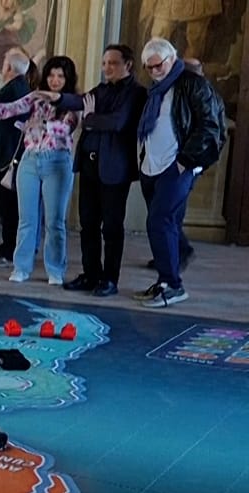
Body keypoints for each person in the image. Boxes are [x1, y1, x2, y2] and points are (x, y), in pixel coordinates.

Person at [38, 44, 146, 297]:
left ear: (127, 65)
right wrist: (58, 98)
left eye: (113, 63)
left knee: (111, 227)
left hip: (114, 169)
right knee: (88, 224)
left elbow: (117, 122)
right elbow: (81, 100)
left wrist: (89, 118)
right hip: (89, 166)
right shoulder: (101, 89)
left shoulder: (136, 92)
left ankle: (110, 279)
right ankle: (90, 274)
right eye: (105, 62)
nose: (107, 67)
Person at [0, 56, 80, 284]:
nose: (55, 80)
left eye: (60, 76)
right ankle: (21, 267)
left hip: (57, 162)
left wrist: (41, 125)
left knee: (54, 221)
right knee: (26, 219)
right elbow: (11, 109)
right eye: (51, 75)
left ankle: (55, 270)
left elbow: (66, 127)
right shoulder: (36, 97)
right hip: (29, 160)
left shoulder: (73, 101)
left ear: (67, 78)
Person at [132, 38, 225, 308]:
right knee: (165, 223)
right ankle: (165, 281)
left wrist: (186, 162)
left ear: (172, 59)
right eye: (148, 68)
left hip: (178, 165)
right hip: (152, 165)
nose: (153, 72)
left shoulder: (193, 84)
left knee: (159, 221)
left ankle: (173, 285)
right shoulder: (156, 88)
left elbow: (210, 126)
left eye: (157, 65)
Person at [0, 48, 32, 268]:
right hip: (8, 156)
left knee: (9, 208)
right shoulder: (17, 87)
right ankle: (9, 246)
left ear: (9, 67)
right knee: (9, 207)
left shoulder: (14, 88)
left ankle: (10, 252)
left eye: (4, 62)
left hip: (7, 157)